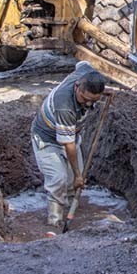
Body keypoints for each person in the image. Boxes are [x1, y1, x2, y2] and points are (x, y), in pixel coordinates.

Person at [31, 61, 106, 227]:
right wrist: (78, 175)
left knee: (73, 182)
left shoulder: (85, 74)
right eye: (85, 99)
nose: (88, 104)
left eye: (93, 100)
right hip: (47, 138)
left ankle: (73, 213)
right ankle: (55, 220)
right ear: (77, 86)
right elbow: (69, 145)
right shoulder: (65, 106)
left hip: (71, 134)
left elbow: (82, 63)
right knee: (59, 178)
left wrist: (105, 93)